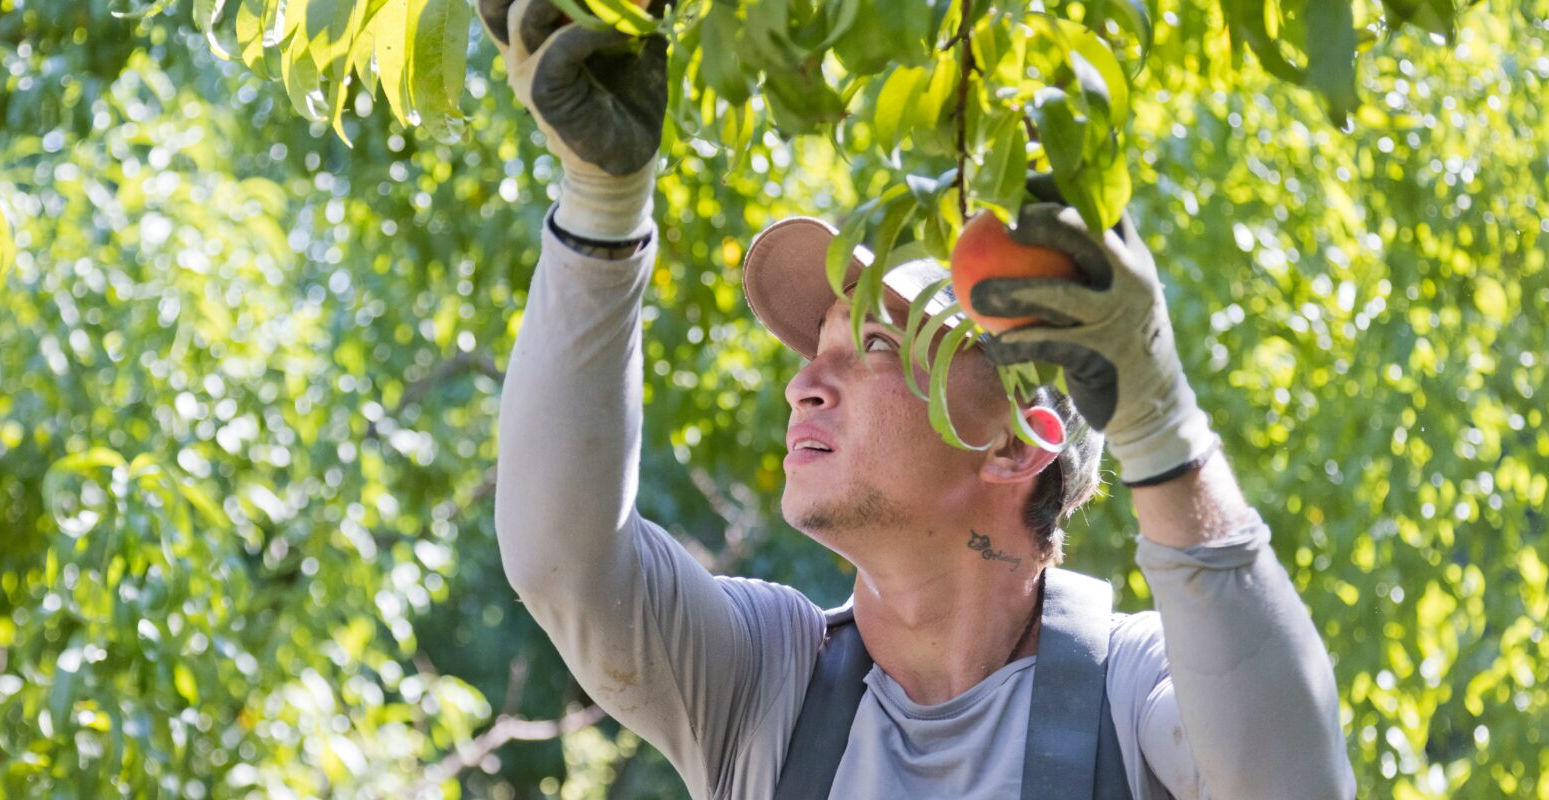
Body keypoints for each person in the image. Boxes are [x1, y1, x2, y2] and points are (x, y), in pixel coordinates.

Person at [483, 1, 1357, 797]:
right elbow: (562, 559)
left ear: (1015, 443)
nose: (802, 385)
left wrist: (1156, 418)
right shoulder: (767, 681)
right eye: (815, 349)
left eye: (872, 345)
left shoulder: (1135, 693)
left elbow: (1294, 786)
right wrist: (601, 203)